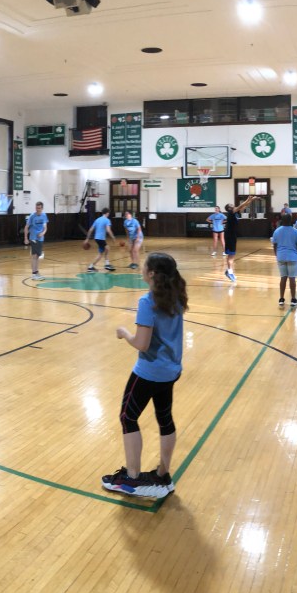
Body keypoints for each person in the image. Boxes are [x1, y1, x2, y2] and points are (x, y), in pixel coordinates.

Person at [101, 252, 186, 499]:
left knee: (128, 417)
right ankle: (162, 474)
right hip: (170, 371)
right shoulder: (176, 297)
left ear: (150, 274)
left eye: (145, 265)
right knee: (165, 419)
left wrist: (124, 333)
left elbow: (142, 344)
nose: (142, 267)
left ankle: (132, 478)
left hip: (148, 372)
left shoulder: (147, 302)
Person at [271, 213, 297, 307]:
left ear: (282, 220)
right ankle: (293, 299)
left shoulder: (277, 231)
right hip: (292, 257)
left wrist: (277, 255)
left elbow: (275, 245)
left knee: (283, 277)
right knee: (292, 278)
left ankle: (281, 299)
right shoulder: (295, 232)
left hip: (281, 257)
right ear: (291, 220)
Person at [222, 195, 257, 282]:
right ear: (229, 208)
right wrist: (248, 199)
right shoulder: (231, 212)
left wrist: (251, 200)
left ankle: (229, 271)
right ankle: (229, 272)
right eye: (231, 205)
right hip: (229, 235)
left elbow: (244, 206)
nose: (233, 205)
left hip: (232, 235)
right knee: (231, 255)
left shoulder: (235, 212)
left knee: (232, 254)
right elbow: (241, 206)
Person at [85, 208, 117, 272]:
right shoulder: (107, 220)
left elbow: (91, 229)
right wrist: (113, 237)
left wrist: (87, 239)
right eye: (108, 213)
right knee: (107, 248)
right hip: (101, 239)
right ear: (107, 213)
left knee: (100, 254)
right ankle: (107, 264)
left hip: (96, 238)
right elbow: (108, 230)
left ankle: (91, 267)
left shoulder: (97, 220)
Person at [24, 201, 49, 280]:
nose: (38, 209)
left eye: (39, 208)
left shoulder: (44, 215)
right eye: (36, 208)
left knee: (37, 256)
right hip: (33, 238)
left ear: (42, 208)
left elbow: (45, 228)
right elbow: (26, 227)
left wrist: (43, 233)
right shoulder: (32, 216)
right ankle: (34, 274)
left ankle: (36, 272)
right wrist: (25, 238)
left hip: (40, 238)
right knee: (34, 256)